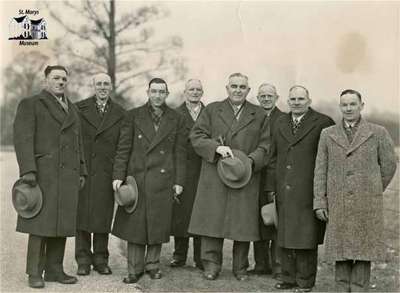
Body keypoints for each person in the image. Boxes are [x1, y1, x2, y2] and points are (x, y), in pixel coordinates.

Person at [188, 73, 270, 281]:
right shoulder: (212, 110)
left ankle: (240, 268)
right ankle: (211, 266)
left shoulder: (259, 114)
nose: (237, 90)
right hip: (215, 174)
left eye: (242, 87)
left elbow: (266, 146)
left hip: (245, 177)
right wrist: (216, 148)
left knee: (242, 224)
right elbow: (196, 136)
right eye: (234, 86)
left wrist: (251, 161)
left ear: (248, 91)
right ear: (227, 88)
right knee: (211, 222)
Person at [313, 89, 397, 292]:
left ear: (361, 106)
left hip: (367, 205)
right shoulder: (328, 134)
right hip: (337, 203)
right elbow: (320, 170)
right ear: (340, 107)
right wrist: (320, 201)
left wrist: (373, 188)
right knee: (340, 253)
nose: (348, 108)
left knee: (363, 253)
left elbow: (389, 165)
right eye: (344, 105)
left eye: (353, 104)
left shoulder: (378, 133)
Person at [13, 65, 87, 288]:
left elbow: (78, 143)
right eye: (56, 78)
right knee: (39, 225)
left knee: (61, 223)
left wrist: (82, 170)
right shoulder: (31, 104)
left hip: (68, 175)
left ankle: (55, 270)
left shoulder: (71, 108)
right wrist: (28, 170)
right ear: (46, 81)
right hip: (43, 175)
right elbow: (23, 138)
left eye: (64, 78)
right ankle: (34, 272)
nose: (61, 82)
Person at [111, 78, 187, 283]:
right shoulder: (133, 116)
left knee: (157, 224)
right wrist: (118, 176)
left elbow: (180, 152)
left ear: (167, 94)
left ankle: (152, 266)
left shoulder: (176, 118)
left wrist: (179, 181)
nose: (157, 95)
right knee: (135, 227)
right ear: (148, 92)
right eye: (154, 91)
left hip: (163, 180)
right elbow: (123, 148)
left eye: (162, 92)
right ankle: (134, 269)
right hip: (138, 180)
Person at [265, 85, 334, 292]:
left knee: (306, 237)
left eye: (301, 99)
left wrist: (323, 192)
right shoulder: (279, 122)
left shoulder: (323, 122)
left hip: (308, 191)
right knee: (284, 235)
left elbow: (329, 160)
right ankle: (287, 278)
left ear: (309, 101)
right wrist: (271, 187)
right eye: (293, 99)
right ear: (288, 101)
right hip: (283, 189)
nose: (296, 102)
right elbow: (272, 157)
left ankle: (305, 281)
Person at [74, 73, 125, 276]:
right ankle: (83, 259)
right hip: (85, 171)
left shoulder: (120, 112)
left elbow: (123, 146)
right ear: (93, 86)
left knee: (103, 217)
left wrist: (118, 173)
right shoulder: (79, 108)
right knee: (82, 216)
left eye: (106, 84)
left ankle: (101, 259)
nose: (102, 87)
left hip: (107, 172)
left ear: (111, 87)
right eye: (99, 84)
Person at [248, 83, 284, 278]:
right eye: (262, 96)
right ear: (258, 98)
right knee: (257, 222)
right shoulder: (253, 117)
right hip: (254, 177)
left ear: (276, 97)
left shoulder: (283, 119)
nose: (266, 99)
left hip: (276, 178)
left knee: (276, 222)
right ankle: (261, 264)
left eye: (270, 95)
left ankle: (278, 266)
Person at [170, 79, 205, 270]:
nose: (194, 92)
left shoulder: (209, 112)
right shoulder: (176, 113)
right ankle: (179, 255)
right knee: (181, 214)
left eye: (198, 90)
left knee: (200, 213)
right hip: (182, 169)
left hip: (203, 169)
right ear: (185, 92)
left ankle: (200, 257)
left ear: (202, 92)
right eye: (191, 89)